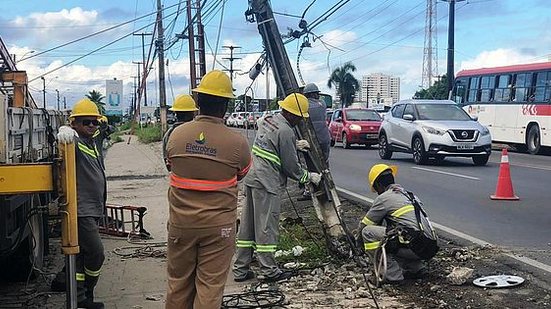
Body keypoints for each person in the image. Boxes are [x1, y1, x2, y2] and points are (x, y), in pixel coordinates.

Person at [165, 70, 252, 309]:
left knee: (178, 284)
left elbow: (170, 164)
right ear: (225, 105)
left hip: (181, 224)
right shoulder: (237, 143)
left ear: (198, 102)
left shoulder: (176, 136)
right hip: (218, 227)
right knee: (210, 287)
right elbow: (242, 173)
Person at [233, 93, 322, 283]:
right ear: (292, 114)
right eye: (299, 117)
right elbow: (291, 167)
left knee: (248, 226)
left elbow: (272, 144)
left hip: (252, 178)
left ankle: (240, 269)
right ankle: (269, 270)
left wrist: (293, 145)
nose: (299, 121)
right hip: (267, 183)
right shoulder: (286, 131)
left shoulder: (268, 120)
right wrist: (309, 177)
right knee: (266, 227)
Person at [56, 98, 106, 309]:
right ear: (74, 123)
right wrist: (63, 129)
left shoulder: (92, 141)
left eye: (94, 122)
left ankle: (79, 294)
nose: (92, 126)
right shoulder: (73, 142)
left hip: (93, 208)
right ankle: (86, 291)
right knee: (96, 253)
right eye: (87, 122)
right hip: (82, 209)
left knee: (82, 256)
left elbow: (104, 127)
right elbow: (60, 142)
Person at [358, 164, 438, 284]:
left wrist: (357, 244)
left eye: (376, 189)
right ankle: (417, 268)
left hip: (415, 246)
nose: (377, 193)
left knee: (368, 233)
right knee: (398, 236)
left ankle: (391, 275)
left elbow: (365, 225)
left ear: (378, 185)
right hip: (429, 246)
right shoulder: (409, 195)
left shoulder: (384, 198)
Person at [298, 83, 331, 201]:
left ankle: (308, 191)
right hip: (325, 138)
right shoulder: (322, 104)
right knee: (325, 164)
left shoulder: (305, 106)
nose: (318, 95)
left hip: (311, 139)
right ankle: (328, 187)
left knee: (308, 165)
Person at [162, 94, 198, 171]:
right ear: (192, 113)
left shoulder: (169, 134)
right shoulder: (199, 131)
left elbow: (168, 164)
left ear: (176, 113)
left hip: (178, 179)